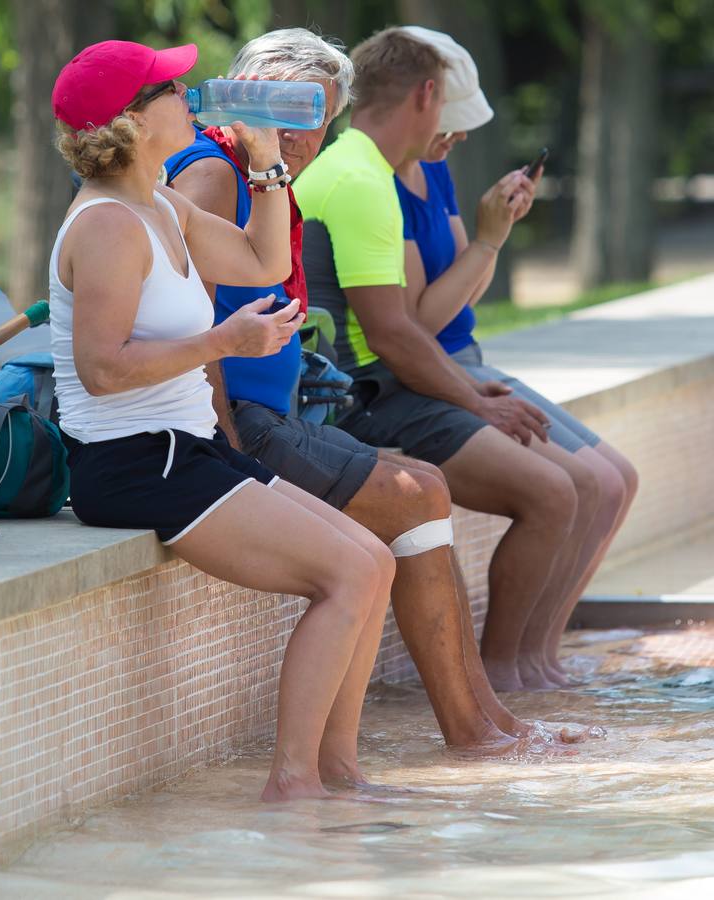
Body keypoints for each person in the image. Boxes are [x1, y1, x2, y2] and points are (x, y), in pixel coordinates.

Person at [165, 28, 568, 753]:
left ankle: (489, 720)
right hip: (230, 424)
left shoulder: (259, 175)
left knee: (423, 484)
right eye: (281, 112)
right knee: (418, 495)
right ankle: (475, 729)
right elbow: (175, 315)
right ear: (241, 99)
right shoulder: (215, 172)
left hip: (266, 412)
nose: (296, 136)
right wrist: (222, 444)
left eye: (312, 116)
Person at [49, 39, 397, 802]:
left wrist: (267, 158)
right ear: (135, 122)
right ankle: (294, 783)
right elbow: (102, 370)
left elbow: (261, 263)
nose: (191, 94)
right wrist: (223, 342)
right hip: (134, 460)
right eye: (170, 88)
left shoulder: (161, 204)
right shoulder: (108, 224)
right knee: (344, 573)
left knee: (373, 559)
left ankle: (339, 772)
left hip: (185, 447)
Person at [294, 27, 596, 693]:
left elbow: (406, 330)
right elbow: (395, 335)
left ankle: (517, 676)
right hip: (365, 399)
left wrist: (471, 391)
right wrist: (475, 396)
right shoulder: (358, 180)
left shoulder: (371, 169)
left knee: (568, 488)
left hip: (387, 382)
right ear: (427, 95)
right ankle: (497, 681)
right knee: (552, 493)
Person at [393, 27, 638, 683]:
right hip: (437, 371)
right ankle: (505, 667)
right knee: (577, 486)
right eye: (452, 122)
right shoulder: (379, 186)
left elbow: (463, 292)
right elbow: (418, 323)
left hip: (466, 356)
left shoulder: (433, 170)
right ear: (420, 103)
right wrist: (488, 242)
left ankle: (539, 657)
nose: (460, 137)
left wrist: (492, 239)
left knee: (619, 482)